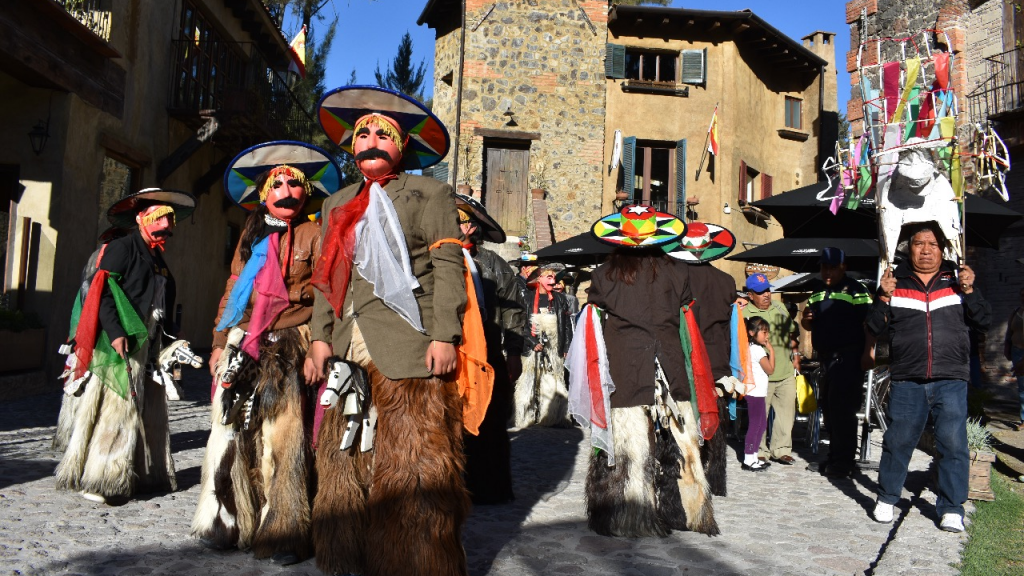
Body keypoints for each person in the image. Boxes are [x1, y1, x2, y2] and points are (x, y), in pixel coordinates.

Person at [307, 86, 474, 576]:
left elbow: (448, 266)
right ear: (351, 146)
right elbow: (327, 277)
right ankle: (344, 556)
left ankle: (414, 563)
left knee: (412, 467)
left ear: (402, 147)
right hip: (346, 348)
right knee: (343, 459)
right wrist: (319, 338)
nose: (372, 139)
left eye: (384, 133)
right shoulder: (336, 201)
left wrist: (445, 335)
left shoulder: (429, 193)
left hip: (409, 346)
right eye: (363, 133)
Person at [191, 142, 339, 564]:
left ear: (306, 192)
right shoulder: (250, 233)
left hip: (293, 338)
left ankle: (285, 532)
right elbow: (233, 289)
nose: (288, 189)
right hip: (245, 338)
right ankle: (228, 521)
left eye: (296, 182)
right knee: (229, 431)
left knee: (284, 436)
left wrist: (317, 344)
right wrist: (220, 343)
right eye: (279, 182)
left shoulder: (315, 232)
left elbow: (329, 290)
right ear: (265, 192)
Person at [574, 204, 719, 538]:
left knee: (629, 442)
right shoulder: (678, 272)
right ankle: (688, 511)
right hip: (669, 363)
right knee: (678, 437)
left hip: (624, 367)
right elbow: (685, 319)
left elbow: (595, 323)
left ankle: (627, 514)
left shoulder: (603, 275)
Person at [53, 188, 196, 504]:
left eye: (169, 221)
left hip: (150, 345)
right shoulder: (122, 248)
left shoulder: (157, 257)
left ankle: (142, 475)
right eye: (159, 218)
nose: (165, 227)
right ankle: (102, 479)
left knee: (148, 411)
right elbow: (101, 293)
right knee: (117, 410)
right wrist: (116, 331)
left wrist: (171, 338)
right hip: (121, 342)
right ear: (141, 219)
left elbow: (162, 300)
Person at [866, 222, 991, 533]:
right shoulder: (896, 281)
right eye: (919, 243)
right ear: (909, 248)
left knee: (953, 443)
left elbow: (984, 322)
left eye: (932, 244)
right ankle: (887, 498)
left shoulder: (958, 281)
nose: (925, 250)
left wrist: (971, 291)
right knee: (898, 440)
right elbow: (873, 327)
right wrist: (883, 296)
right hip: (908, 377)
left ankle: (951, 507)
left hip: (951, 377)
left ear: (943, 249)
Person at [457, 194, 526, 505]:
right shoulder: (433, 259)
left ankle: (489, 488)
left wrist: (513, 353)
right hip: (449, 353)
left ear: (471, 226)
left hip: (487, 353)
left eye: (456, 217)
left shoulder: (494, 265)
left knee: (491, 420)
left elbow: (514, 312)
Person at [664, 221, 739, 495]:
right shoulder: (726, 281)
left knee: (681, 418)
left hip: (684, 357)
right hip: (717, 359)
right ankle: (715, 476)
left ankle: (683, 474)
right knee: (714, 419)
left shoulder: (671, 279)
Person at [801, 247, 874, 477]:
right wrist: (806, 320)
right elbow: (809, 323)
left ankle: (844, 462)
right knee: (829, 411)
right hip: (826, 359)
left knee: (843, 410)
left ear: (844, 267)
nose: (828, 271)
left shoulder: (856, 289)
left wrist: (868, 353)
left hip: (849, 357)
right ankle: (835, 456)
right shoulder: (818, 291)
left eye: (833, 266)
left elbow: (870, 323)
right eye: (824, 266)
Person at [742, 272, 800, 465]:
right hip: (760, 377)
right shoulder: (744, 314)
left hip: (784, 372)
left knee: (786, 415)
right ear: (750, 295)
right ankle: (759, 451)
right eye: (760, 292)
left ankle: (781, 449)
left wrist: (796, 357)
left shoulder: (780, 307)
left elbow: (792, 335)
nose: (766, 294)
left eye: (767, 290)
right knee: (760, 417)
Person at [514, 264, 573, 427]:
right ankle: (525, 417)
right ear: (538, 279)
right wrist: (532, 342)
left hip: (554, 348)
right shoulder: (526, 298)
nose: (553, 281)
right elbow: (520, 324)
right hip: (531, 348)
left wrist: (567, 347)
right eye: (549, 277)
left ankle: (553, 417)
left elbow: (566, 325)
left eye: (554, 277)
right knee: (528, 382)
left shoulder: (560, 299)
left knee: (554, 380)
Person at [743, 317, 774, 471]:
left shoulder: (750, 348)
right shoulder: (758, 350)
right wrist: (772, 351)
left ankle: (754, 456)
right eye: (764, 332)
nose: (767, 336)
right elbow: (770, 369)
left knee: (761, 425)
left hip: (756, 391)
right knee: (756, 424)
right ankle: (749, 458)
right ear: (752, 332)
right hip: (755, 392)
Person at [1004, 287, 1024, 430]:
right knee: (1022, 387)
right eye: (1022, 295)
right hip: (1017, 351)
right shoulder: (1016, 312)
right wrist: (1007, 347)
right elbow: (1009, 332)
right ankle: (1023, 419)